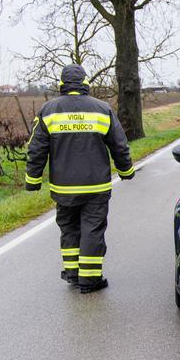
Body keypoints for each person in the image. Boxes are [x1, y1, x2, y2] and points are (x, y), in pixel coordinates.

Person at [24, 64, 135, 294]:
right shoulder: (102, 109)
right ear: (85, 83)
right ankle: (90, 280)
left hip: (63, 188)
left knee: (69, 229)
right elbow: (119, 144)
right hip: (96, 186)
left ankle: (73, 274)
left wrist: (33, 180)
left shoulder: (48, 110)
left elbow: (36, 149)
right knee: (92, 229)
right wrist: (126, 170)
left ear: (62, 84)